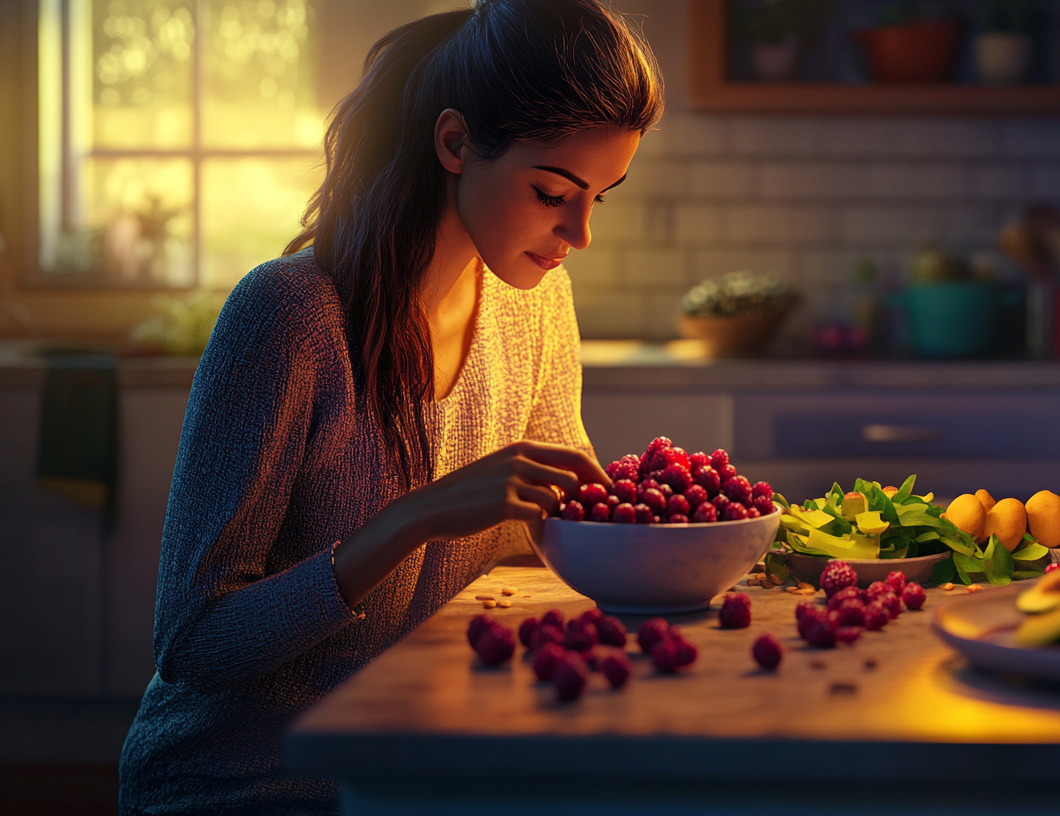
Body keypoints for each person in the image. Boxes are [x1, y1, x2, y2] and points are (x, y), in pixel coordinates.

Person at [119, 1, 662, 812]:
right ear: (453, 143)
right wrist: (412, 519)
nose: (579, 232)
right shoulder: (289, 315)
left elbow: (558, 522)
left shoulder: (536, 301)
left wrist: (683, 542)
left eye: (601, 198)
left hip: (424, 765)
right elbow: (195, 642)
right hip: (249, 782)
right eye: (553, 191)